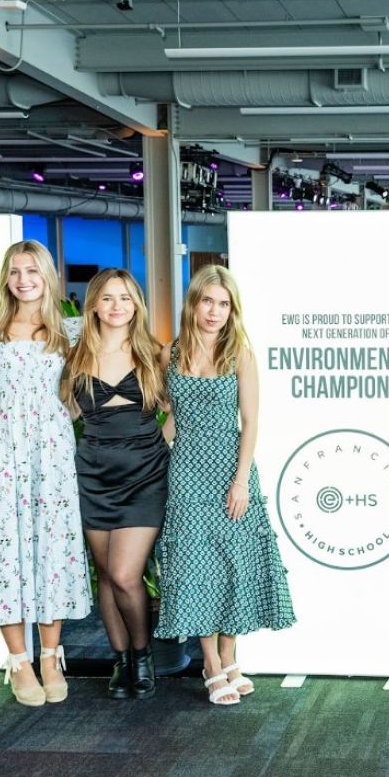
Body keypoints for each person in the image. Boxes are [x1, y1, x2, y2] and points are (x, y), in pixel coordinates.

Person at [0, 239, 90, 706]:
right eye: (14, 271)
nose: (23, 280)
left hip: (49, 455)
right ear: (5, 278)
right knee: (2, 550)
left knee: (51, 547)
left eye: (32, 270)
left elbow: (75, 397)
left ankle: (51, 655)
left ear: (47, 276)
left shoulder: (68, 332)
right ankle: (19, 660)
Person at [154, 265, 294, 706]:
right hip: (186, 474)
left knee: (236, 564)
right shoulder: (170, 355)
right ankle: (211, 663)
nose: (214, 311)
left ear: (232, 309)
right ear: (193, 303)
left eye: (223, 303)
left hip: (231, 472)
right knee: (196, 569)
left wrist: (240, 481)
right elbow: (170, 413)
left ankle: (230, 655)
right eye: (207, 301)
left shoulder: (241, 355)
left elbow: (250, 422)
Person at [64, 268, 169, 700]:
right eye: (107, 298)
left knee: (126, 573)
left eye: (125, 298)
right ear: (93, 305)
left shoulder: (155, 353)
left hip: (144, 475)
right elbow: (62, 414)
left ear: (137, 305)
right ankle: (120, 659)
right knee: (106, 574)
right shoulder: (74, 357)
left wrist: (159, 443)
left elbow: (179, 406)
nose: (116, 306)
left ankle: (143, 655)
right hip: (93, 474)